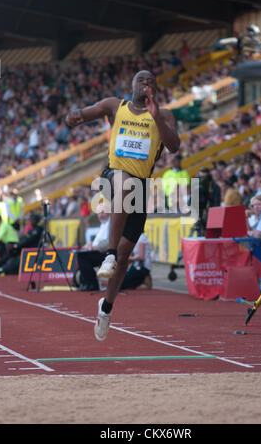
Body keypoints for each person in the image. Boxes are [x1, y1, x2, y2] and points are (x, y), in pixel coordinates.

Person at [66, 69, 179, 341]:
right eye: (141, 79)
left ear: (155, 88)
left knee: (126, 256)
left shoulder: (163, 115)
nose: (146, 83)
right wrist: (74, 116)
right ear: (132, 85)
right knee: (124, 184)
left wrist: (155, 116)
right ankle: (109, 255)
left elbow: (173, 145)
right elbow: (85, 112)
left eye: (151, 81)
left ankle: (105, 308)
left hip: (141, 186)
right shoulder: (115, 106)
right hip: (112, 176)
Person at [76, 202, 110, 292]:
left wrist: (93, 247)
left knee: (82, 257)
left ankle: (92, 283)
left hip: (106, 253)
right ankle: (86, 282)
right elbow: (98, 240)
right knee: (81, 255)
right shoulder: (103, 224)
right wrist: (90, 244)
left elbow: (109, 242)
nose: (101, 215)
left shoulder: (110, 224)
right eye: (99, 213)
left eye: (103, 212)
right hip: (99, 251)